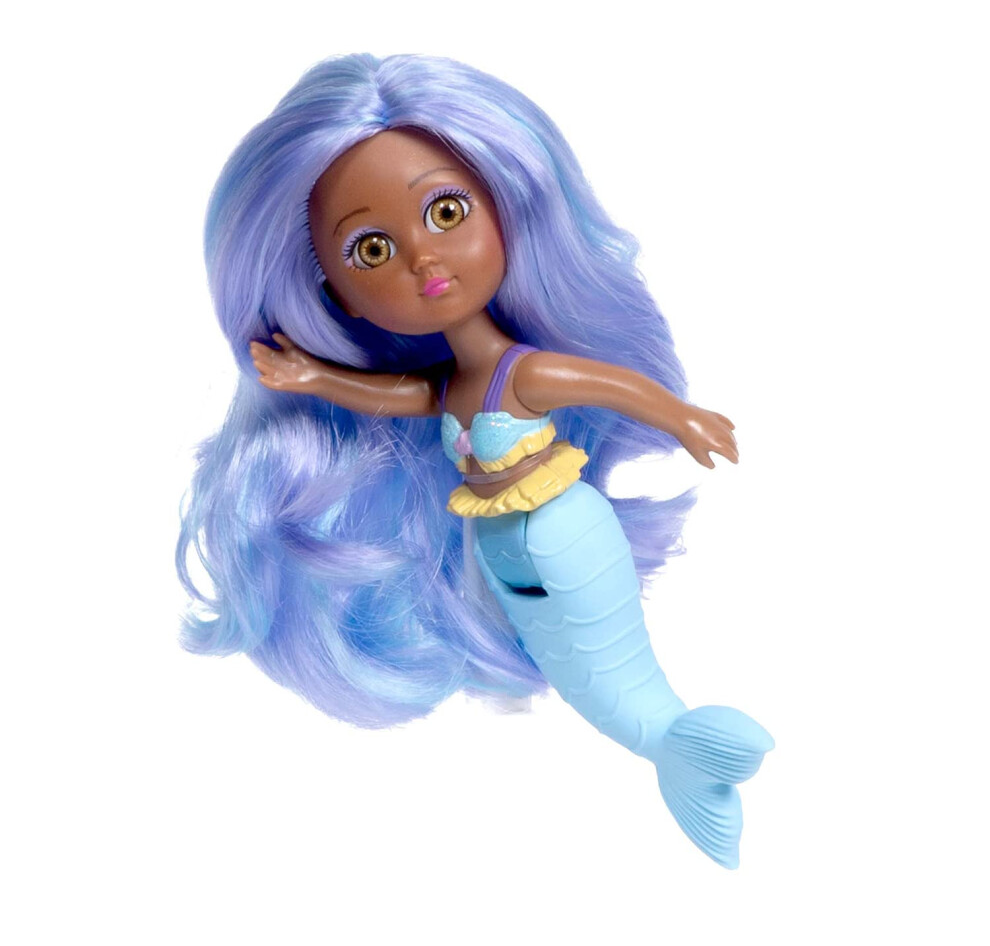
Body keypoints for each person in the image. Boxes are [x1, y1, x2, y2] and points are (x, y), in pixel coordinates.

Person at [179, 54, 772, 866]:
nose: (423, 259)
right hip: (502, 553)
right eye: (371, 249)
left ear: (506, 208)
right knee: (574, 670)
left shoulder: (519, 372)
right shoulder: (449, 383)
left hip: (566, 534)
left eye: (447, 211)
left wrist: (682, 416)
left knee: (604, 660)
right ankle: (668, 749)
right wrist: (313, 377)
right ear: (336, 296)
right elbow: (397, 398)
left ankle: (674, 738)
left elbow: (607, 383)